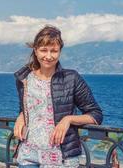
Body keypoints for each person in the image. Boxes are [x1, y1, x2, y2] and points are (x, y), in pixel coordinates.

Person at [13, 25, 103, 168]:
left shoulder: (71, 78)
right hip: (28, 156)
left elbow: (96, 115)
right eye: (43, 50)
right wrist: (21, 116)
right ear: (35, 50)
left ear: (60, 52)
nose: (48, 56)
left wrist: (68, 120)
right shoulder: (24, 79)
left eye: (54, 51)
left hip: (61, 159)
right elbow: (27, 108)